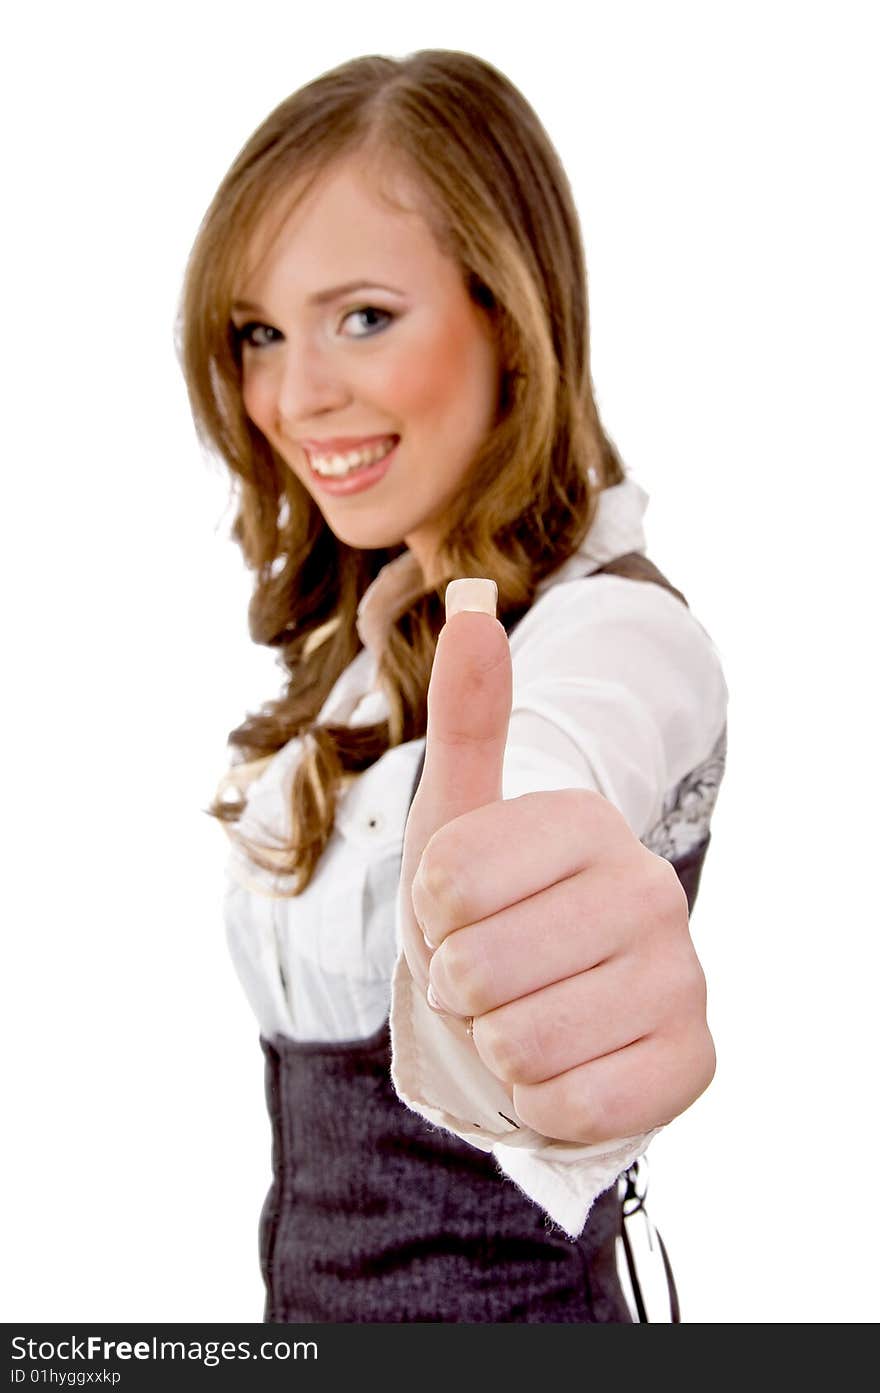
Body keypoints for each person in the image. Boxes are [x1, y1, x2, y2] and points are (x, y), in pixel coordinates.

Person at [175, 48, 729, 1323]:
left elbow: (551, 773)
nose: (295, 395)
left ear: (506, 311)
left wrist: (544, 934)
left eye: (363, 315)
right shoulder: (369, 644)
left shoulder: (614, 639)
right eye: (260, 333)